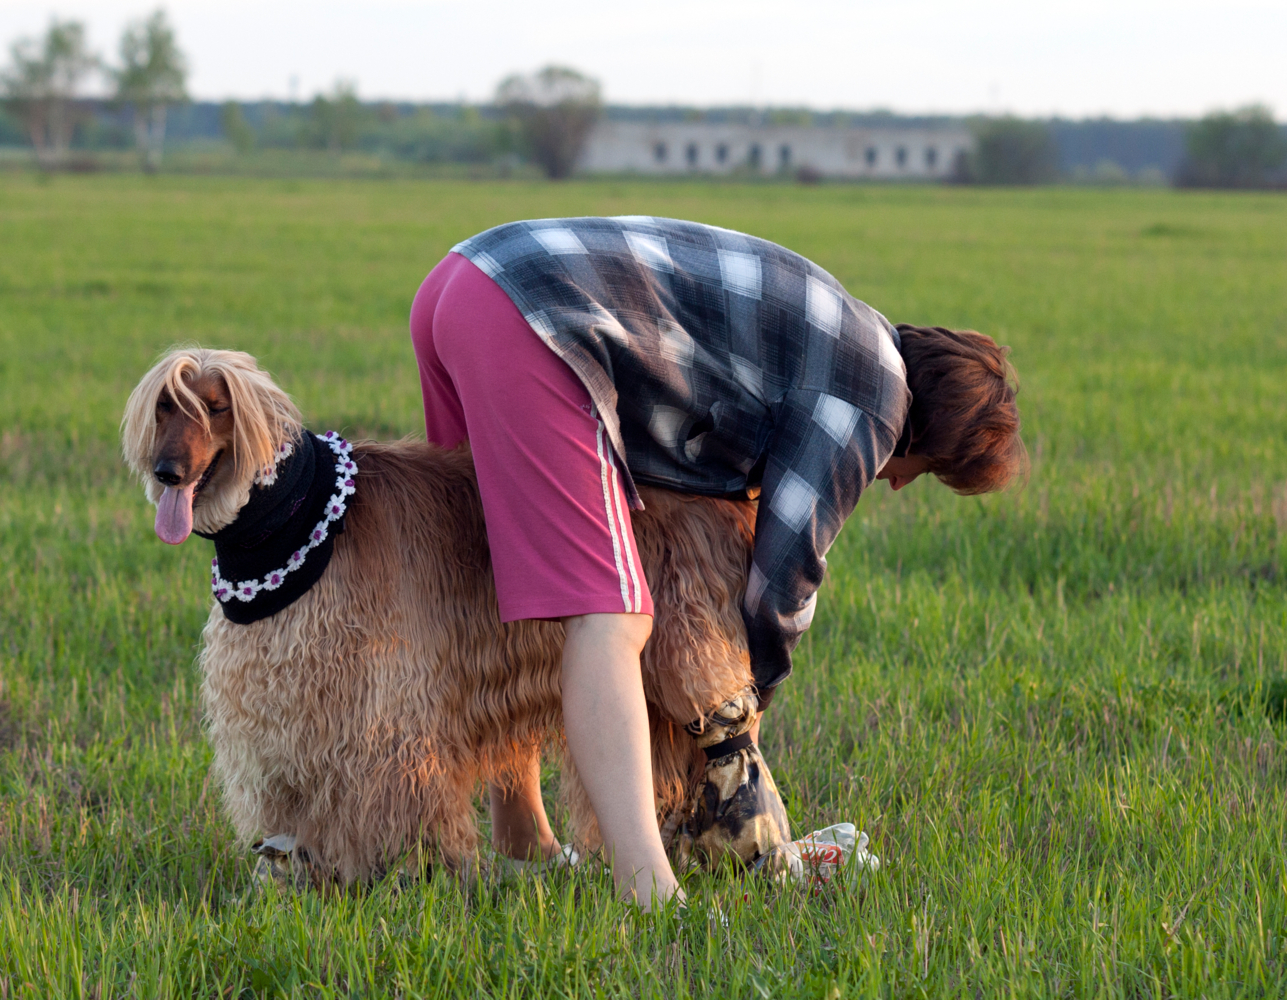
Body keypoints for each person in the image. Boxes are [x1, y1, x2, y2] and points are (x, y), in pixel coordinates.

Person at [409, 217, 1024, 908]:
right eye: (931, 470)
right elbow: (784, 578)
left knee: (509, 592)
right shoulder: (875, 397)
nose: (903, 481)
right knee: (610, 617)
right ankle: (648, 886)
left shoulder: (847, 330)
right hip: (532, 319)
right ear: (932, 436)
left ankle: (523, 841)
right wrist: (741, 718)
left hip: (464, 281)